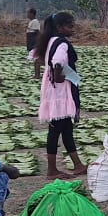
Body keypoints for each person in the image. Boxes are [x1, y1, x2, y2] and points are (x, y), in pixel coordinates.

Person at [34, 12, 85, 180]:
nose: (73, 29)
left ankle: (77, 165)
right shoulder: (61, 43)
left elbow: (40, 59)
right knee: (55, 128)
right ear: (60, 27)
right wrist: (58, 75)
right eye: (70, 26)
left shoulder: (50, 40)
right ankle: (52, 170)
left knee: (66, 127)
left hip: (53, 88)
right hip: (59, 90)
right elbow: (58, 61)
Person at [25, 8, 42, 79]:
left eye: (28, 13)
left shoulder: (35, 22)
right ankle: (36, 74)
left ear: (32, 14)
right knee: (35, 60)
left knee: (36, 60)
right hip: (31, 42)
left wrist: (38, 43)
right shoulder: (31, 21)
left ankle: (37, 75)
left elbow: (37, 32)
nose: (27, 14)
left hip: (34, 43)